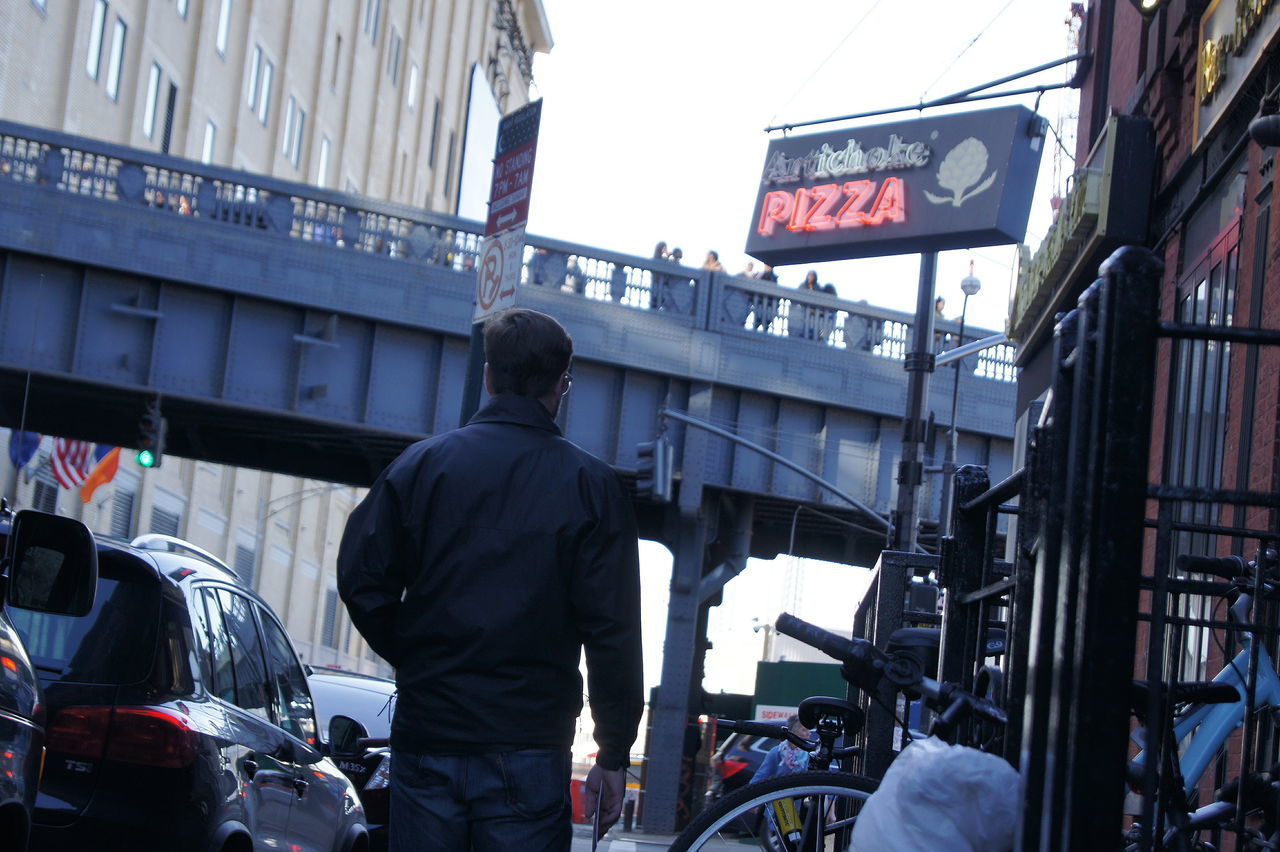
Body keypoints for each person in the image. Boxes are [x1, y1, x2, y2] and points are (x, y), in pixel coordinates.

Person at [337, 308, 644, 852]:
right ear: (560, 386)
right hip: (528, 740)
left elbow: (362, 578)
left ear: (488, 375)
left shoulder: (420, 467)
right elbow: (612, 632)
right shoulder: (593, 489)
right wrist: (613, 753)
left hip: (429, 729)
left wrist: (414, 653)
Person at [754, 715, 811, 782]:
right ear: (792, 732)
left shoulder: (811, 753)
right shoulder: (777, 752)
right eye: (804, 730)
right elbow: (761, 776)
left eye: (809, 730)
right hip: (782, 791)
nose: (809, 734)